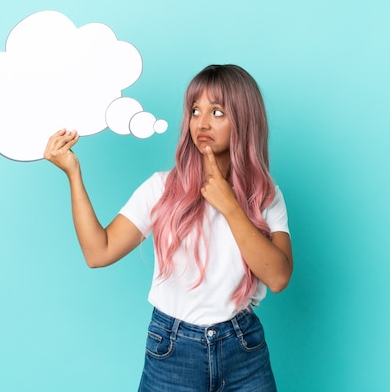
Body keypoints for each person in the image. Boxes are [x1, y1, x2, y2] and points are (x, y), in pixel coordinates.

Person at [44, 64, 292, 391]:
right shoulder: (161, 189)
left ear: (244, 120)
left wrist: (230, 206)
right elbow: (98, 252)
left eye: (217, 112)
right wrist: (73, 174)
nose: (202, 122)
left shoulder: (265, 195)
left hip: (242, 346)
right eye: (195, 110)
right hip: (174, 349)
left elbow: (278, 278)